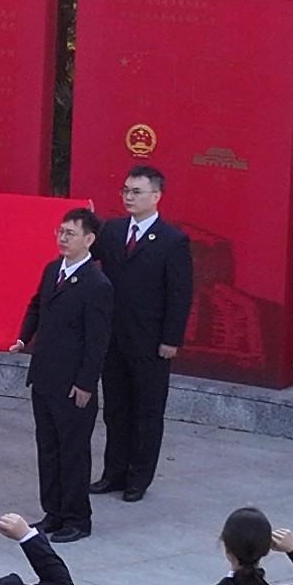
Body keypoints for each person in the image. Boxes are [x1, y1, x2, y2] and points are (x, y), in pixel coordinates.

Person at [95, 163, 198, 501]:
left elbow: (180, 294)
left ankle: (138, 479)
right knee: (116, 409)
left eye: (136, 191)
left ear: (156, 196)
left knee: (147, 411)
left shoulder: (172, 240)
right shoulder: (111, 231)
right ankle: (113, 473)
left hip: (151, 342)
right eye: (125, 190)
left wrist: (171, 339)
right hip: (113, 337)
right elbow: (85, 253)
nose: (129, 197)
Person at [17, 206, 115, 537]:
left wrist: (86, 383)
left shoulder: (97, 284)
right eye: (60, 232)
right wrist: (23, 337)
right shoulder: (51, 270)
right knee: (48, 448)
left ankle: (77, 519)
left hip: (73, 385)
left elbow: (98, 340)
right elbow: (36, 306)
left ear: (89, 239)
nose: (62, 238)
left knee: (72, 452)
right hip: (44, 377)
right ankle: (53, 512)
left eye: (70, 234)